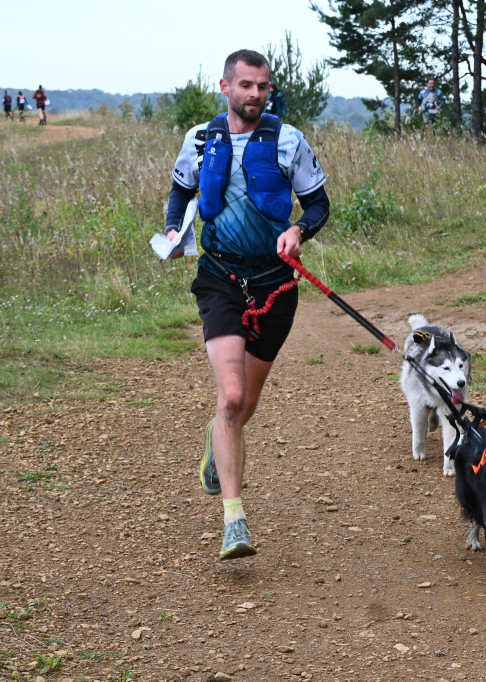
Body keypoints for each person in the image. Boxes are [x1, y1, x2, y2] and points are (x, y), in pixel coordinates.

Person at [164, 49, 329, 560]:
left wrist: (299, 229)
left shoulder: (289, 141)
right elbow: (179, 193)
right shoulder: (199, 139)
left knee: (245, 405)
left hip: (276, 283)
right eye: (246, 86)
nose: (256, 94)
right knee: (231, 397)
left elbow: (319, 202)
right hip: (219, 277)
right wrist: (174, 229)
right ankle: (234, 520)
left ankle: (219, 445)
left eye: (263, 86)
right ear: (225, 86)